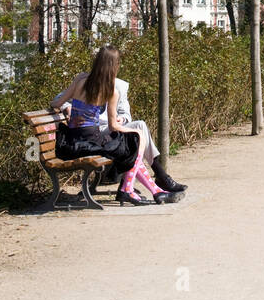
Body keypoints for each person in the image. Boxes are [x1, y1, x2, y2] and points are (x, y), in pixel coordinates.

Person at [50, 46, 175, 206]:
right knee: (135, 142)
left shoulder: (80, 81)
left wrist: (66, 108)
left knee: (132, 142)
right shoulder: (111, 91)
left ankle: (154, 191)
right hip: (91, 143)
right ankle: (129, 190)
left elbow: (56, 102)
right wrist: (134, 131)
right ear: (114, 66)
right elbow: (113, 126)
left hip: (71, 142)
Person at [98, 78, 186, 194]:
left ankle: (154, 178)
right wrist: (66, 108)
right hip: (98, 131)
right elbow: (67, 98)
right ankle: (159, 176)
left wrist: (122, 119)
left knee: (140, 126)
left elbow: (126, 114)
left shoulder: (120, 85)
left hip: (116, 129)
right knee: (138, 134)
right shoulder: (85, 81)